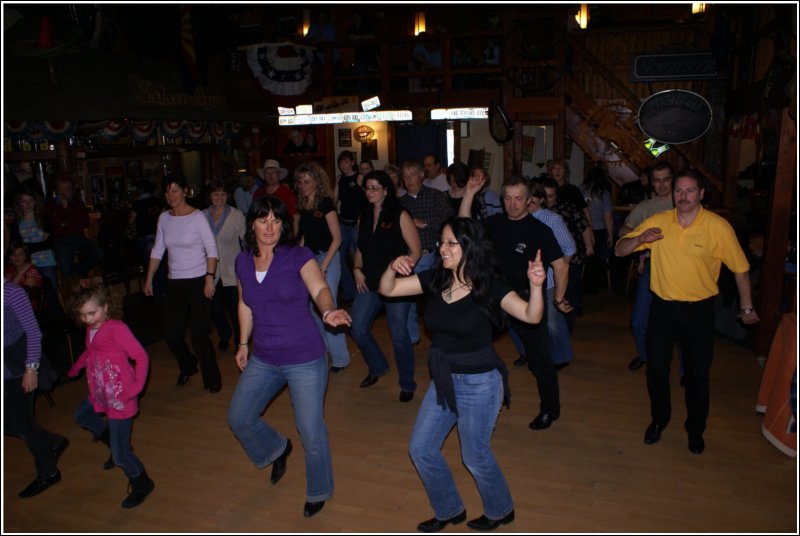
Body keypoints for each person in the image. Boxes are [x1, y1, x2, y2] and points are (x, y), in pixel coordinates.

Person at [379, 217, 546, 533]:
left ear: (470, 247)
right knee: (421, 448)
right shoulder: (434, 279)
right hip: (443, 378)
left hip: (480, 383)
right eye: (441, 241)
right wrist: (393, 265)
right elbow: (387, 289)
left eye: (450, 242)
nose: (442, 248)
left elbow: (531, 315)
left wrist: (536, 287)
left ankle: (501, 509)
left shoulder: (490, 287)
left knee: (475, 455)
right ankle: (449, 508)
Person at [615, 169, 760, 454]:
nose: (683, 196)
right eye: (678, 191)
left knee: (697, 376)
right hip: (663, 310)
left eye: (689, 190)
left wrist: (746, 307)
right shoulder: (658, 222)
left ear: (701, 194)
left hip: (698, 313)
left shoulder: (717, 227)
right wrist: (640, 238)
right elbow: (620, 250)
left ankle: (695, 429)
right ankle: (659, 419)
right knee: (656, 371)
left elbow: (741, 270)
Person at [227, 195, 351, 518]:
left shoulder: (299, 255)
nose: (270, 227)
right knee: (239, 417)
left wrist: (328, 312)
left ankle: (319, 489)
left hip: (304, 357)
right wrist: (242, 343)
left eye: (276, 220)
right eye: (263, 220)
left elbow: (320, 288)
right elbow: (244, 304)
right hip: (264, 357)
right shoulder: (242, 261)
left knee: (310, 429)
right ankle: (277, 448)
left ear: (284, 225)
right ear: (251, 223)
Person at [460, 174, 567, 430]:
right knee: (472, 346)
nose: (512, 204)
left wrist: (559, 298)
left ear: (529, 200)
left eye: (519, 198)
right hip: (494, 295)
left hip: (524, 299)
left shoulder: (539, 229)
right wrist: (469, 193)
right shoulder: (495, 222)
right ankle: (473, 400)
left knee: (540, 359)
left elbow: (561, 265)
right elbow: (463, 226)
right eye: (507, 198)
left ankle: (550, 410)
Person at [66, 281, 154, 508]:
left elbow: (141, 357)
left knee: (120, 456)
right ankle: (113, 440)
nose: (87, 319)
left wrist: (136, 388)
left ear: (106, 307)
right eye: (83, 315)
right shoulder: (91, 328)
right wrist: (78, 364)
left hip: (120, 397)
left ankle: (142, 482)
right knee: (81, 416)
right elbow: (91, 350)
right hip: (100, 390)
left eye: (92, 313)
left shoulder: (117, 329)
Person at [144, 173, 222, 393]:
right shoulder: (164, 218)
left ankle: (212, 379)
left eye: (175, 190)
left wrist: (209, 278)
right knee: (171, 333)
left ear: (185, 192)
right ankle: (188, 364)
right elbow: (158, 249)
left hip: (199, 280)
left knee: (199, 335)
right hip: (175, 281)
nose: (171, 195)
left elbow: (211, 249)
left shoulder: (197, 217)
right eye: (167, 191)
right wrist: (149, 278)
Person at [351, 170, 421, 402]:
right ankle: (378, 366)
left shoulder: (399, 214)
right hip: (369, 280)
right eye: (367, 188)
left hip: (396, 284)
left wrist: (404, 270)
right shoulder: (363, 214)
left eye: (374, 188)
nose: (370, 192)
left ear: (386, 190)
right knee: (358, 328)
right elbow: (360, 247)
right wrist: (356, 269)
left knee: (399, 335)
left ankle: (407, 383)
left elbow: (416, 250)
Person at [4, 278, 68, 499]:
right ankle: (52, 441)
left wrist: (31, 369)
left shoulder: (11, 292)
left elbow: (33, 333)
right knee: (8, 423)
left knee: (22, 423)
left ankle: (48, 472)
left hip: (19, 366)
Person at [293, 161, 351, 373]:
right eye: (300, 181)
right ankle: (324, 349)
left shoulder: (325, 203)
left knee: (329, 305)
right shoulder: (303, 205)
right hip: (309, 258)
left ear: (317, 181)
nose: (303, 185)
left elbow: (337, 239)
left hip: (327, 257)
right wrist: (297, 260)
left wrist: (324, 266)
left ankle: (341, 358)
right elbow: (304, 237)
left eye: (307, 181)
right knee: (310, 307)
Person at [618, 162, 676, 372]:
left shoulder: (684, 204)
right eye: (657, 180)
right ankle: (645, 355)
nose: (661, 185)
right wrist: (639, 241)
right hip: (654, 265)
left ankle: (685, 370)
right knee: (638, 321)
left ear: (673, 180)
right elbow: (624, 230)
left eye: (666, 179)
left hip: (682, 268)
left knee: (680, 324)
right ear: (651, 183)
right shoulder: (646, 207)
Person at [522, 179, 576, 371]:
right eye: (526, 201)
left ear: (541, 200)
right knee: (519, 319)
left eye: (533, 202)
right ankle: (529, 353)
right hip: (522, 279)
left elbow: (569, 248)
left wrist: (556, 269)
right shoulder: (518, 218)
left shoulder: (552, 220)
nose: (529, 205)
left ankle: (561, 357)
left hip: (549, 279)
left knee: (552, 322)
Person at [400, 160, 455, 346]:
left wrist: (423, 222)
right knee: (410, 299)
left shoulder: (435, 195)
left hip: (439, 254)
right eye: (405, 177)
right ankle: (413, 336)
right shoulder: (401, 203)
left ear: (421, 176)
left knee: (439, 297)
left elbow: (448, 220)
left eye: (412, 175)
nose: (409, 180)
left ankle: (441, 333)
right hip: (415, 256)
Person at [202, 179, 246, 352]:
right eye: (215, 193)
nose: (219, 197)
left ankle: (239, 341)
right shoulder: (201, 215)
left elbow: (245, 242)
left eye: (223, 193)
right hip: (210, 270)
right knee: (213, 307)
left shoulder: (236, 215)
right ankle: (224, 333)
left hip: (232, 269)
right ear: (209, 196)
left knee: (236, 309)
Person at [543, 177, 592, 330]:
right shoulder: (538, 210)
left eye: (551, 195)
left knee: (569, 293)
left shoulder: (568, 207)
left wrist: (589, 245)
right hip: (550, 260)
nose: (548, 199)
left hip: (572, 258)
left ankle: (567, 326)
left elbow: (583, 226)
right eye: (545, 196)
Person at [45, 176, 102, 280]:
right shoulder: (51, 205)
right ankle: (71, 277)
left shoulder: (78, 203)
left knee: (98, 253)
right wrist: (65, 212)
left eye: (69, 187)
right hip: (61, 239)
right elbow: (55, 225)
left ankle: (76, 271)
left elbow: (84, 222)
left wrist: (66, 220)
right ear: (58, 190)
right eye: (64, 188)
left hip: (78, 237)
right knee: (66, 271)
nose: (68, 190)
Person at [10, 186, 59, 307]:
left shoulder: (44, 220)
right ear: (19, 203)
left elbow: (49, 243)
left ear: (35, 201)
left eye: (30, 201)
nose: (27, 204)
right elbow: (18, 247)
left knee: (51, 292)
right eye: (24, 201)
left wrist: (29, 247)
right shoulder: (16, 224)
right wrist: (39, 243)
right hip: (25, 263)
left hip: (46, 261)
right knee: (26, 294)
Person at [333, 150, 366, 303]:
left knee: (357, 259)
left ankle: (364, 292)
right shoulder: (340, 179)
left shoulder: (359, 177)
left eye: (346, 162)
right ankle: (350, 292)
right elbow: (334, 200)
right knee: (338, 258)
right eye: (341, 162)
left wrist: (363, 217)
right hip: (343, 223)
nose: (343, 165)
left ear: (352, 162)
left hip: (357, 225)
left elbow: (368, 198)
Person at [580, 164, 614, 293]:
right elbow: (608, 216)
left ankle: (581, 284)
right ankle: (589, 285)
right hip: (598, 228)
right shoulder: (603, 193)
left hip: (581, 228)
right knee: (594, 259)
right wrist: (610, 234)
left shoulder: (580, 189)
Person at [5, 242, 44, 310]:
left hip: (25, 307)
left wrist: (21, 272)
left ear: (26, 256)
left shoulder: (32, 271)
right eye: (13, 254)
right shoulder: (10, 269)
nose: (17, 257)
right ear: (10, 257)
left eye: (20, 254)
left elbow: (20, 294)